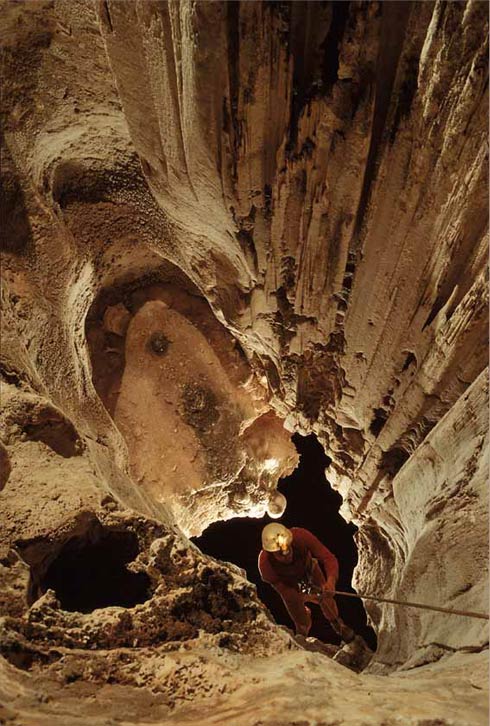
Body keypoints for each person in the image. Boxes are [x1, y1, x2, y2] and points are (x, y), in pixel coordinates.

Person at [258, 522, 354, 642]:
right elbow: (282, 589)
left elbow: (328, 558)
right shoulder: (265, 564)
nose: (287, 555)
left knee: (325, 597)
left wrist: (331, 581)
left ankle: (338, 624)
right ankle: (302, 632)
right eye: (280, 554)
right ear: (271, 552)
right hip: (288, 584)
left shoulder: (301, 536)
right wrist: (300, 597)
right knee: (295, 605)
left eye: (288, 548)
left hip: (309, 570)